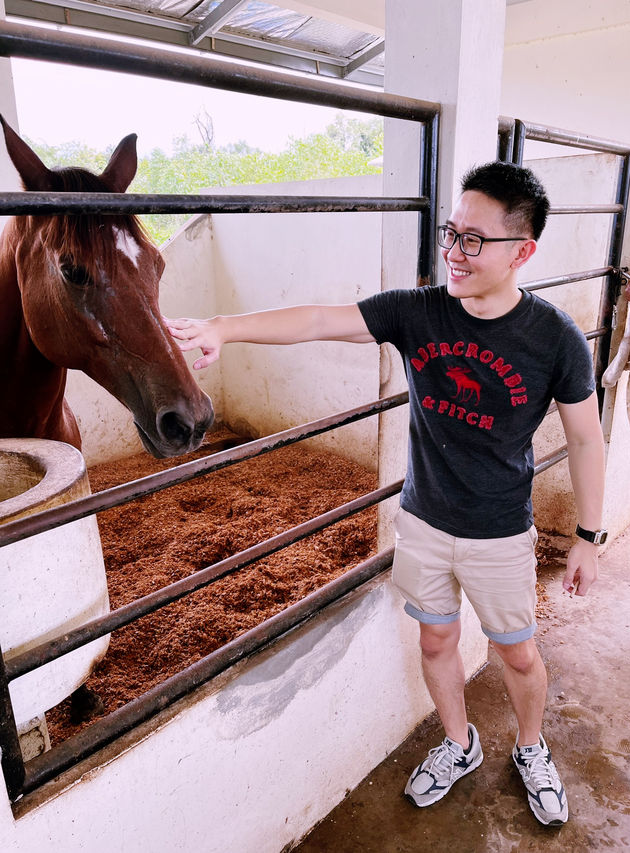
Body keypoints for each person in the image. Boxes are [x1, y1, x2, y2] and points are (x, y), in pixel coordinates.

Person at [165, 161, 605, 827]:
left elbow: (586, 440)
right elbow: (317, 319)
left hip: (500, 532)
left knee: (517, 652)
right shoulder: (418, 312)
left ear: (524, 251)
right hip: (424, 521)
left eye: (475, 240)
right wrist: (225, 328)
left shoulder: (554, 338)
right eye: (451, 234)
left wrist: (587, 536)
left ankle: (530, 744)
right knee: (435, 643)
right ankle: (459, 744)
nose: (455, 253)